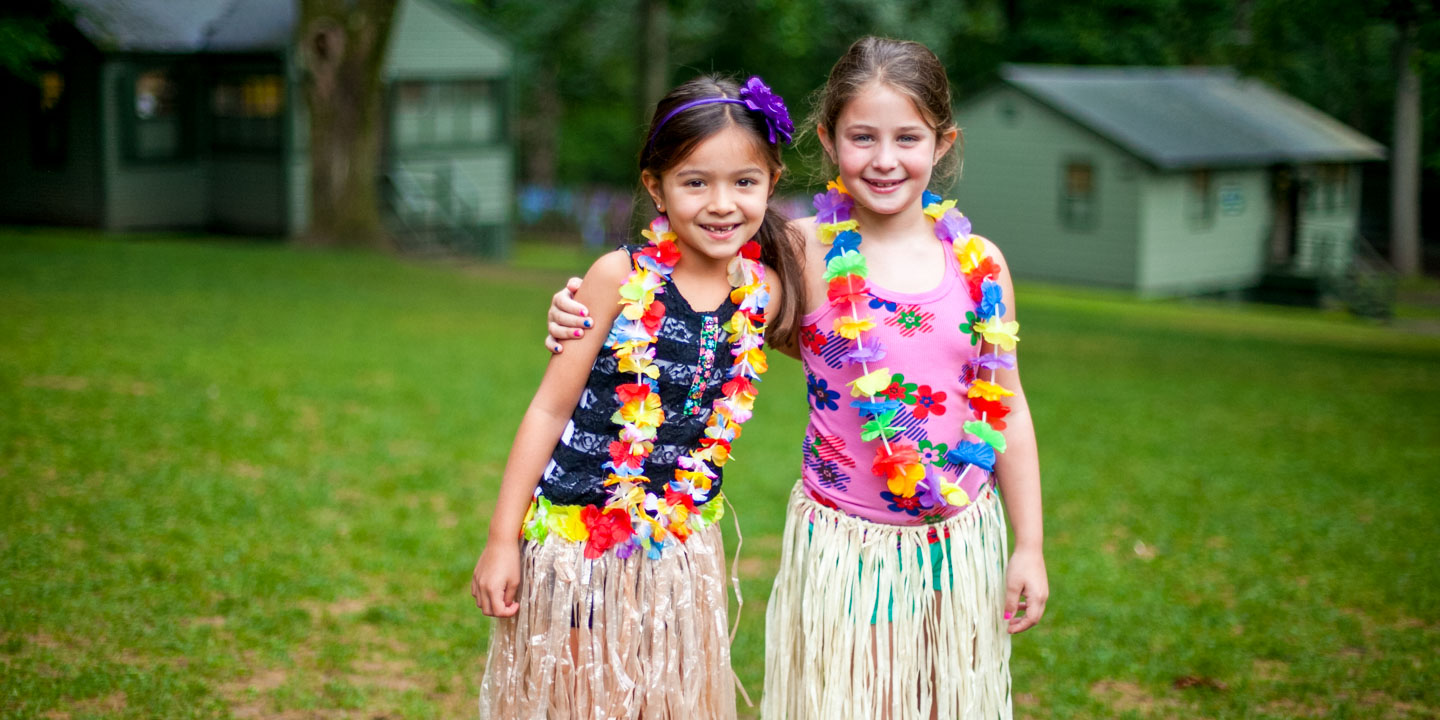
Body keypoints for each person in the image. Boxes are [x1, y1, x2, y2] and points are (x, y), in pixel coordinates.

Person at [541, 37, 1047, 720]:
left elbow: (1009, 407)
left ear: (943, 143)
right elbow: (688, 284)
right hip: (847, 544)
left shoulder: (981, 265)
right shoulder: (799, 249)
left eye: (908, 138)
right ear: (828, 140)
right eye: (863, 137)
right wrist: (578, 308)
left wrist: (1029, 544)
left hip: (960, 539)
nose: (886, 159)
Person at [470, 74, 805, 719]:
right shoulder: (616, 276)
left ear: (772, 183)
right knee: (583, 700)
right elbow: (548, 409)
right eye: (695, 182)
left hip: (680, 549)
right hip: (579, 545)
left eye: (745, 181)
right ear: (656, 187)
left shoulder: (765, 290)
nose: (722, 204)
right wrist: (501, 538)